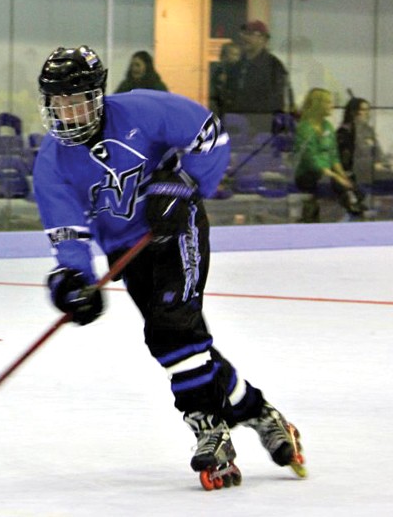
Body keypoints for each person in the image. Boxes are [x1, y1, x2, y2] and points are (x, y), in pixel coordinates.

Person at [33, 45, 305, 488]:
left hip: (178, 230)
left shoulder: (143, 108)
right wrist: (72, 281)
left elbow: (208, 133)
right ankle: (259, 412)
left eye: (75, 99)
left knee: (171, 328)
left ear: (98, 96)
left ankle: (209, 427)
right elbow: (68, 234)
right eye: (57, 102)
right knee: (181, 342)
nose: (67, 111)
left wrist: (186, 183)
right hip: (129, 252)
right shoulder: (51, 162)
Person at [294, 88, 364, 222]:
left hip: (328, 174)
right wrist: (336, 177)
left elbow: (334, 156)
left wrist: (342, 175)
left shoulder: (328, 127)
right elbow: (311, 159)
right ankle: (351, 207)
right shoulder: (305, 128)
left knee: (351, 182)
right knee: (338, 185)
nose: (332, 106)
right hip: (308, 174)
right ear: (318, 105)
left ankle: (352, 208)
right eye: (328, 102)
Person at [227, 21, 291, 135]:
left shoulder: (274, 66)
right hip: (236, 128)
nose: (245, 38)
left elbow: (277, 100)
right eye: (244, 34)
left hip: (263, 129)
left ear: (264, 39)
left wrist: (259, 123)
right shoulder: (237, 66)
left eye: (251, 34)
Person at [337, 97, 392, 188]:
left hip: (373, 170)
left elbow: (378, 151)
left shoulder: (368, 130)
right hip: (357, 173)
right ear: (352, 112)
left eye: (367, 110)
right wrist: (371, 165)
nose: (366, 113)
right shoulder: (345, 132)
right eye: (362, 110)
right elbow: (346, 161)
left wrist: (386, 163)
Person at [209, 42, 241, 118]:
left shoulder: (238, 71)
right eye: (233, 54)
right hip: (216, 106)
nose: (237, 58)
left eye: (238, 55)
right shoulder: (214, 69)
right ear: (224, 56)